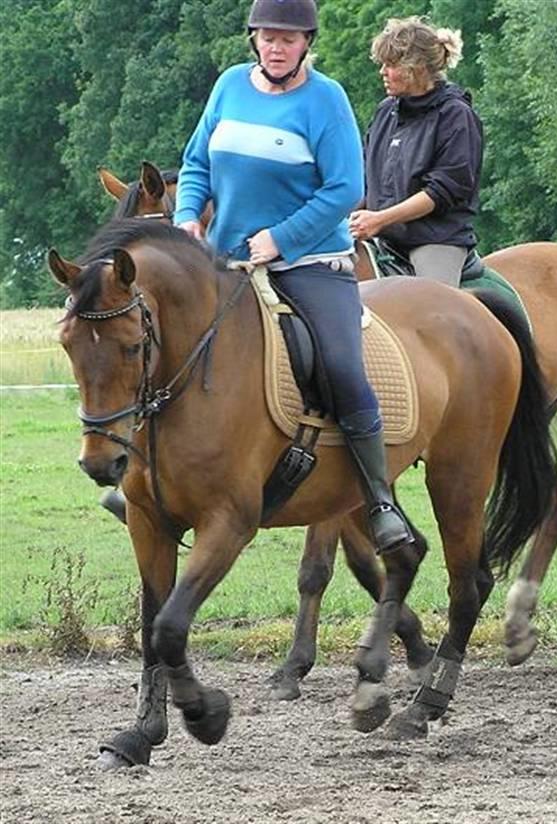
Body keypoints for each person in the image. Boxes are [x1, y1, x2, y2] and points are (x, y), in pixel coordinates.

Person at [103, 0, 412, 554]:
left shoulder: (326, 100)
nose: (276, 46)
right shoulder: (228, 87)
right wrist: (186, 218)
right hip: (225, 264)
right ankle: (143, 483)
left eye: (288, 39)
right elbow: (196, 164)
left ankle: (380, 498)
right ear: (254, 40)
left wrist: (282, 238)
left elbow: (345, 188)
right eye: (268, 37)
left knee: (341, 365)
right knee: (157, 353)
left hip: (310, 263)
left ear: (306, 44)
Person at [349, 17, 483, 287]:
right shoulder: (386, 111)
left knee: (433, 310)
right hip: (382, 235)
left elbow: (442, 191)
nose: (383, 72)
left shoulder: (456, 116)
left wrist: (380, 219)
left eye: (391, 65)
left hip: (434, 240)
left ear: (418, 68)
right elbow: (364, 178)